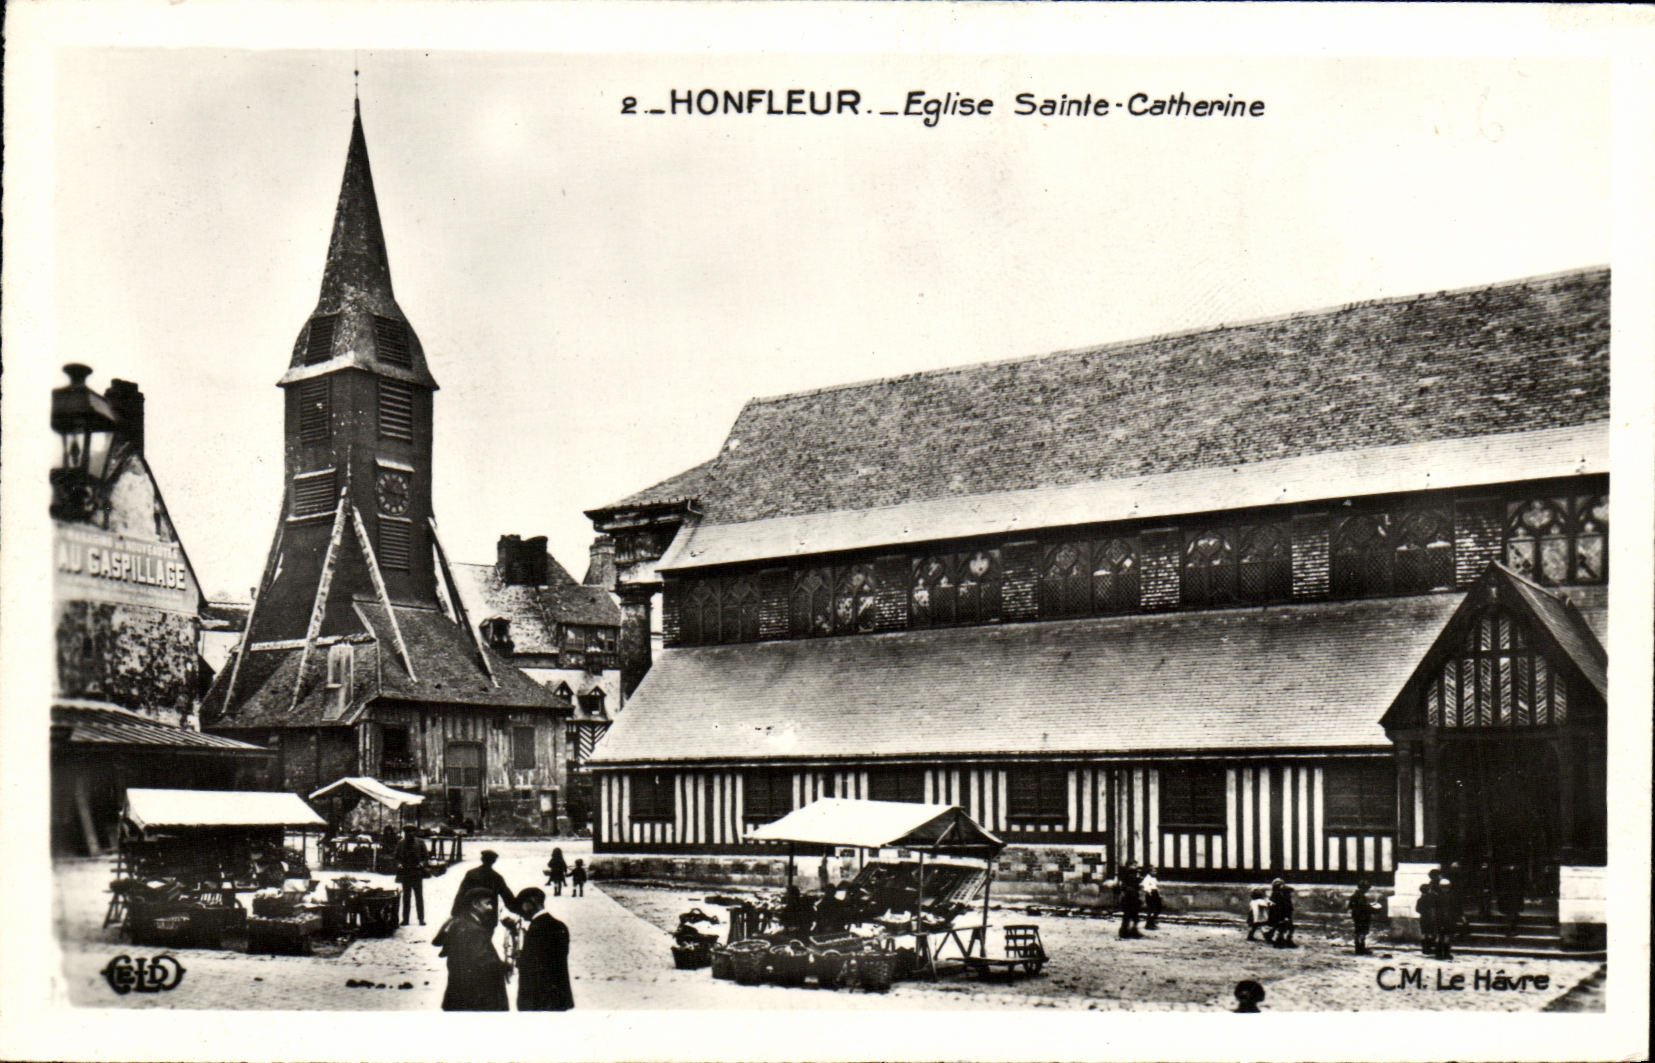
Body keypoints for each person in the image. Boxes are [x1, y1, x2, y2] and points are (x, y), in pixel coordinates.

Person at [433, 887, 511, 1011]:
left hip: (460, 993)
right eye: (488, 904)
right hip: (475, 997)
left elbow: (438, 943)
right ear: (475, 904)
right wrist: (503, 967)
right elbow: (482, 959)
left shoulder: (461, 922)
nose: (491, 908)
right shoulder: (473, 929)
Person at [514, 888, 574, 1011]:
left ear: (531, 903)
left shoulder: (536, 929)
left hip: (539, 999)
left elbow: (533, 967)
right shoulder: (559, 925)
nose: (520, 912)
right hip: (558, 995)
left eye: (521, 906)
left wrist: (520, 960)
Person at [452, 850, 518, 928]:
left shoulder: (471, 874)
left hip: (470, 914)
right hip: (489, 917)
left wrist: (455, 911)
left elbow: (461, 893)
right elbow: (507, 897)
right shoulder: (496, 877)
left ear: (482, 859)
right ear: (493, 861)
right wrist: (518, 909)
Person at [394, 825, 431, 926]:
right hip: (406, 872)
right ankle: (405, 919)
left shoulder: (420, 843)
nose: (409, 834)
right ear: (405, 833)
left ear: (414, 833)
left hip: (417, 872)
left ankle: (421, 919)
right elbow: (396, 857)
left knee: (418, 896)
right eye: (407, 832)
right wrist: (399, 864)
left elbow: (426, 857)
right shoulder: (401, 843)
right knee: (406, 897)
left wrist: (422, 864)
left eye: (411, 832)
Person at [1416, 872, 1441, 958]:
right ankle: (1429, 947)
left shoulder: (1420, 899)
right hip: (1429, 918)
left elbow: (1417, 909)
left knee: (1424, 933)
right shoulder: (1430, 899)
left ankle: (1424, 948)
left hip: (1422, 918)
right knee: (1430, 933)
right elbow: (1432, 909)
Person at [1348, 880, 1375, 954]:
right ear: (1364, 888)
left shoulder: (1354, 895)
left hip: (1356, 916)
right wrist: (1370, 907)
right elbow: (1363, 907)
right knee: (1362, 932)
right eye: (1367, 889)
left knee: (1358, 932)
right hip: (1362, 917)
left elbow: (1350, 906)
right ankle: (1361, 949)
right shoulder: (1361, 896)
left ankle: (1358, 948)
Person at [1116, 863, 1142, 939]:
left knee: (1134, 916)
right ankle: (1124, 932)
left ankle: (1132, 931)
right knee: (1127, 916)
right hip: (1128, 898)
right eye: (1134, 865)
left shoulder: (1135, 876)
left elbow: (1137, 886)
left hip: (1134, 897)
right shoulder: (1126, 876)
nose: (1136, 866)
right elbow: (1123, 886)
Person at [1270, 879, 1296, 948]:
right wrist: (1286, 917)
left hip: (1282, 914)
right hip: (1282, 915)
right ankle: (1282, 941)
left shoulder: (1276, 895)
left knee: (1286, 928)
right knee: (1284, 928)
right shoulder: (1281, 897)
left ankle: (1284, 941)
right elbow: (1285, 908)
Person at [1141, 866, 1163, 930]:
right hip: (1150, 894)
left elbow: (1156, 886)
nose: (1155, 872)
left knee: (1158, 908)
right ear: (1149, 872)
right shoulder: (1147, 879)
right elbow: (1146, 887)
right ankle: (1148, 924)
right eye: (1153, 871)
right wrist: (1150, 893)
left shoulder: (1154, 878)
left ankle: (1152, 922)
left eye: (1155, 871)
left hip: (1155, 893)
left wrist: (1159, 894)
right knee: (1151, 909)